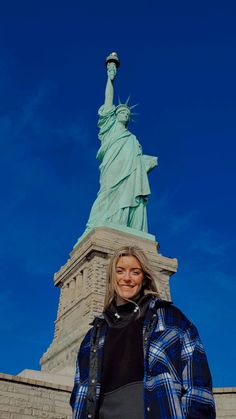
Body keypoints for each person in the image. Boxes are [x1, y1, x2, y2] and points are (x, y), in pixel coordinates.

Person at [70, 246, 216, 418]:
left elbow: (198, 388)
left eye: (135, 272)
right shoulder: (92, 337)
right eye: (120, 271)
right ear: (111, 277)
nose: (127, 278)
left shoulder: (171, 319)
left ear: (144, 278)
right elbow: (80, 396)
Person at [84, 58, 157, 235]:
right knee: (107, 192)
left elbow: (137, 161)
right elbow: (108, 99)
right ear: (115, 115)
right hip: (113, 166)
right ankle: (98, 223)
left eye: (127, 113)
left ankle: (127, 225)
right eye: (121, 111)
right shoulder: (109, 128)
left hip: (130, 172)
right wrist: (110, 77)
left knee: (130, 195)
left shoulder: (132, 138)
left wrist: (145, 163)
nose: (124, 114)